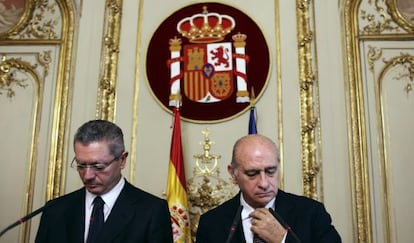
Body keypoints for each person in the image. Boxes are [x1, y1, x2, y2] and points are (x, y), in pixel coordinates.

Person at [35, 119, 173, 243]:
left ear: (122, 160)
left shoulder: (152, 211)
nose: (87, 175)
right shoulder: (55, 210)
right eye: (81, 165)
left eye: (98, 167)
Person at [196, 134, 341, 243]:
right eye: (252, 174)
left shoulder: (311, 213)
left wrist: (283, 239)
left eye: (271, 171)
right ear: (233, 173)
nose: (264, 183)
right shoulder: (211, 223)